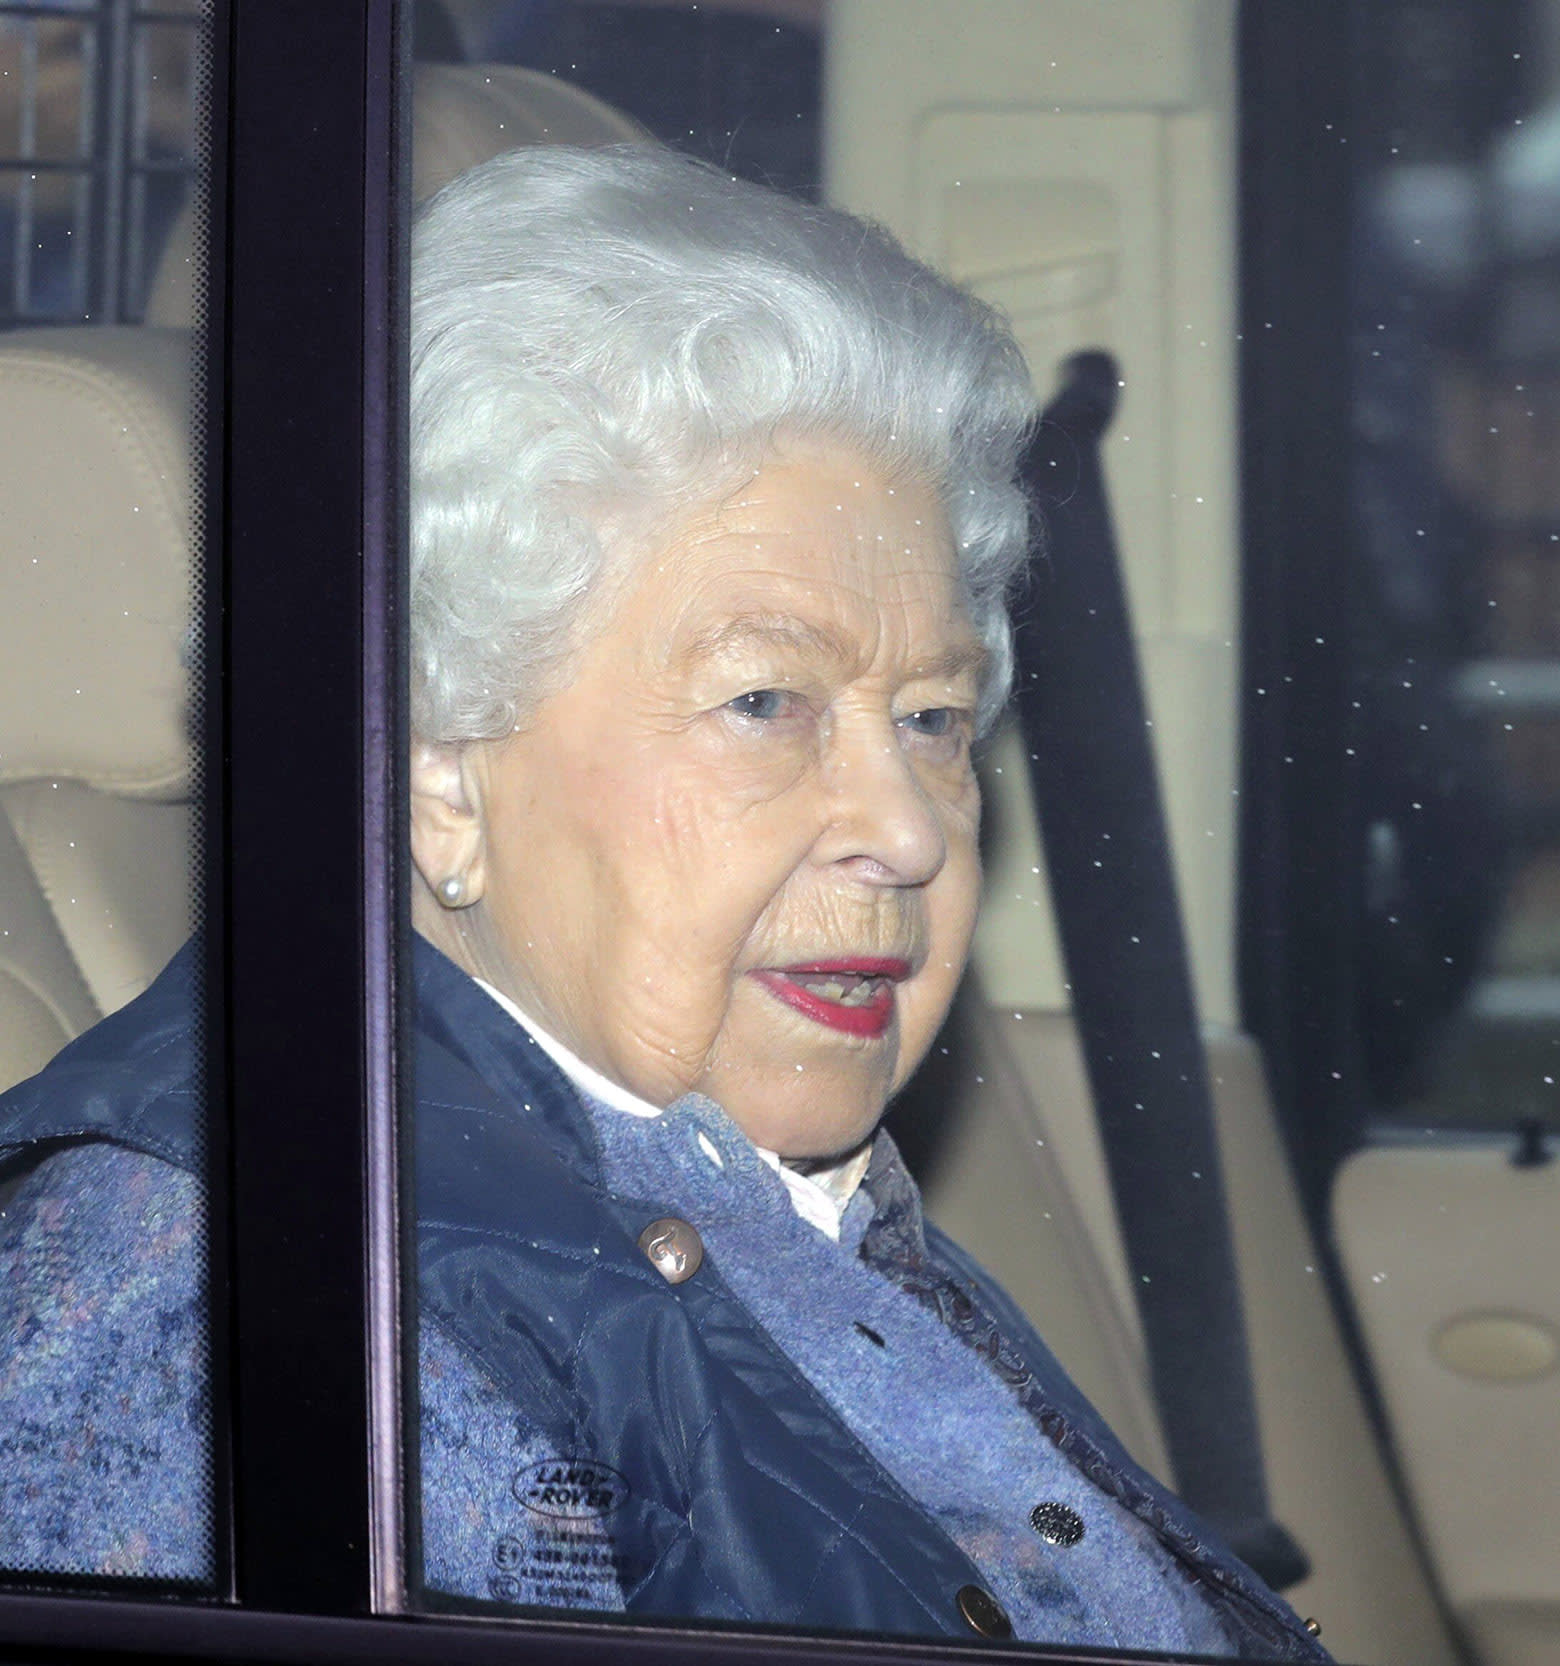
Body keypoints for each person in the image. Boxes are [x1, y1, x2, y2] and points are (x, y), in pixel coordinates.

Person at [0, 144, 1329, 1661]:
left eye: (935, 719)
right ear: (436, 771)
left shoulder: (770, 1198)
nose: (906, 828)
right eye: (766, 698)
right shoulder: (250, 1311)